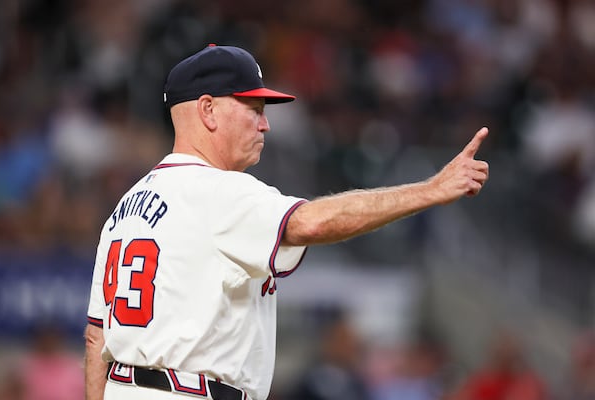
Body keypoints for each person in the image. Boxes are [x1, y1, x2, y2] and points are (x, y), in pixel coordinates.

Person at [84, 44, 489, 400]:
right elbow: (311, 223)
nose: (265, 124)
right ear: (208, 110)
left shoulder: (125, 208)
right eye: (253, 109)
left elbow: (96, 337)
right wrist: (430, 190)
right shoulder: (219, 191)